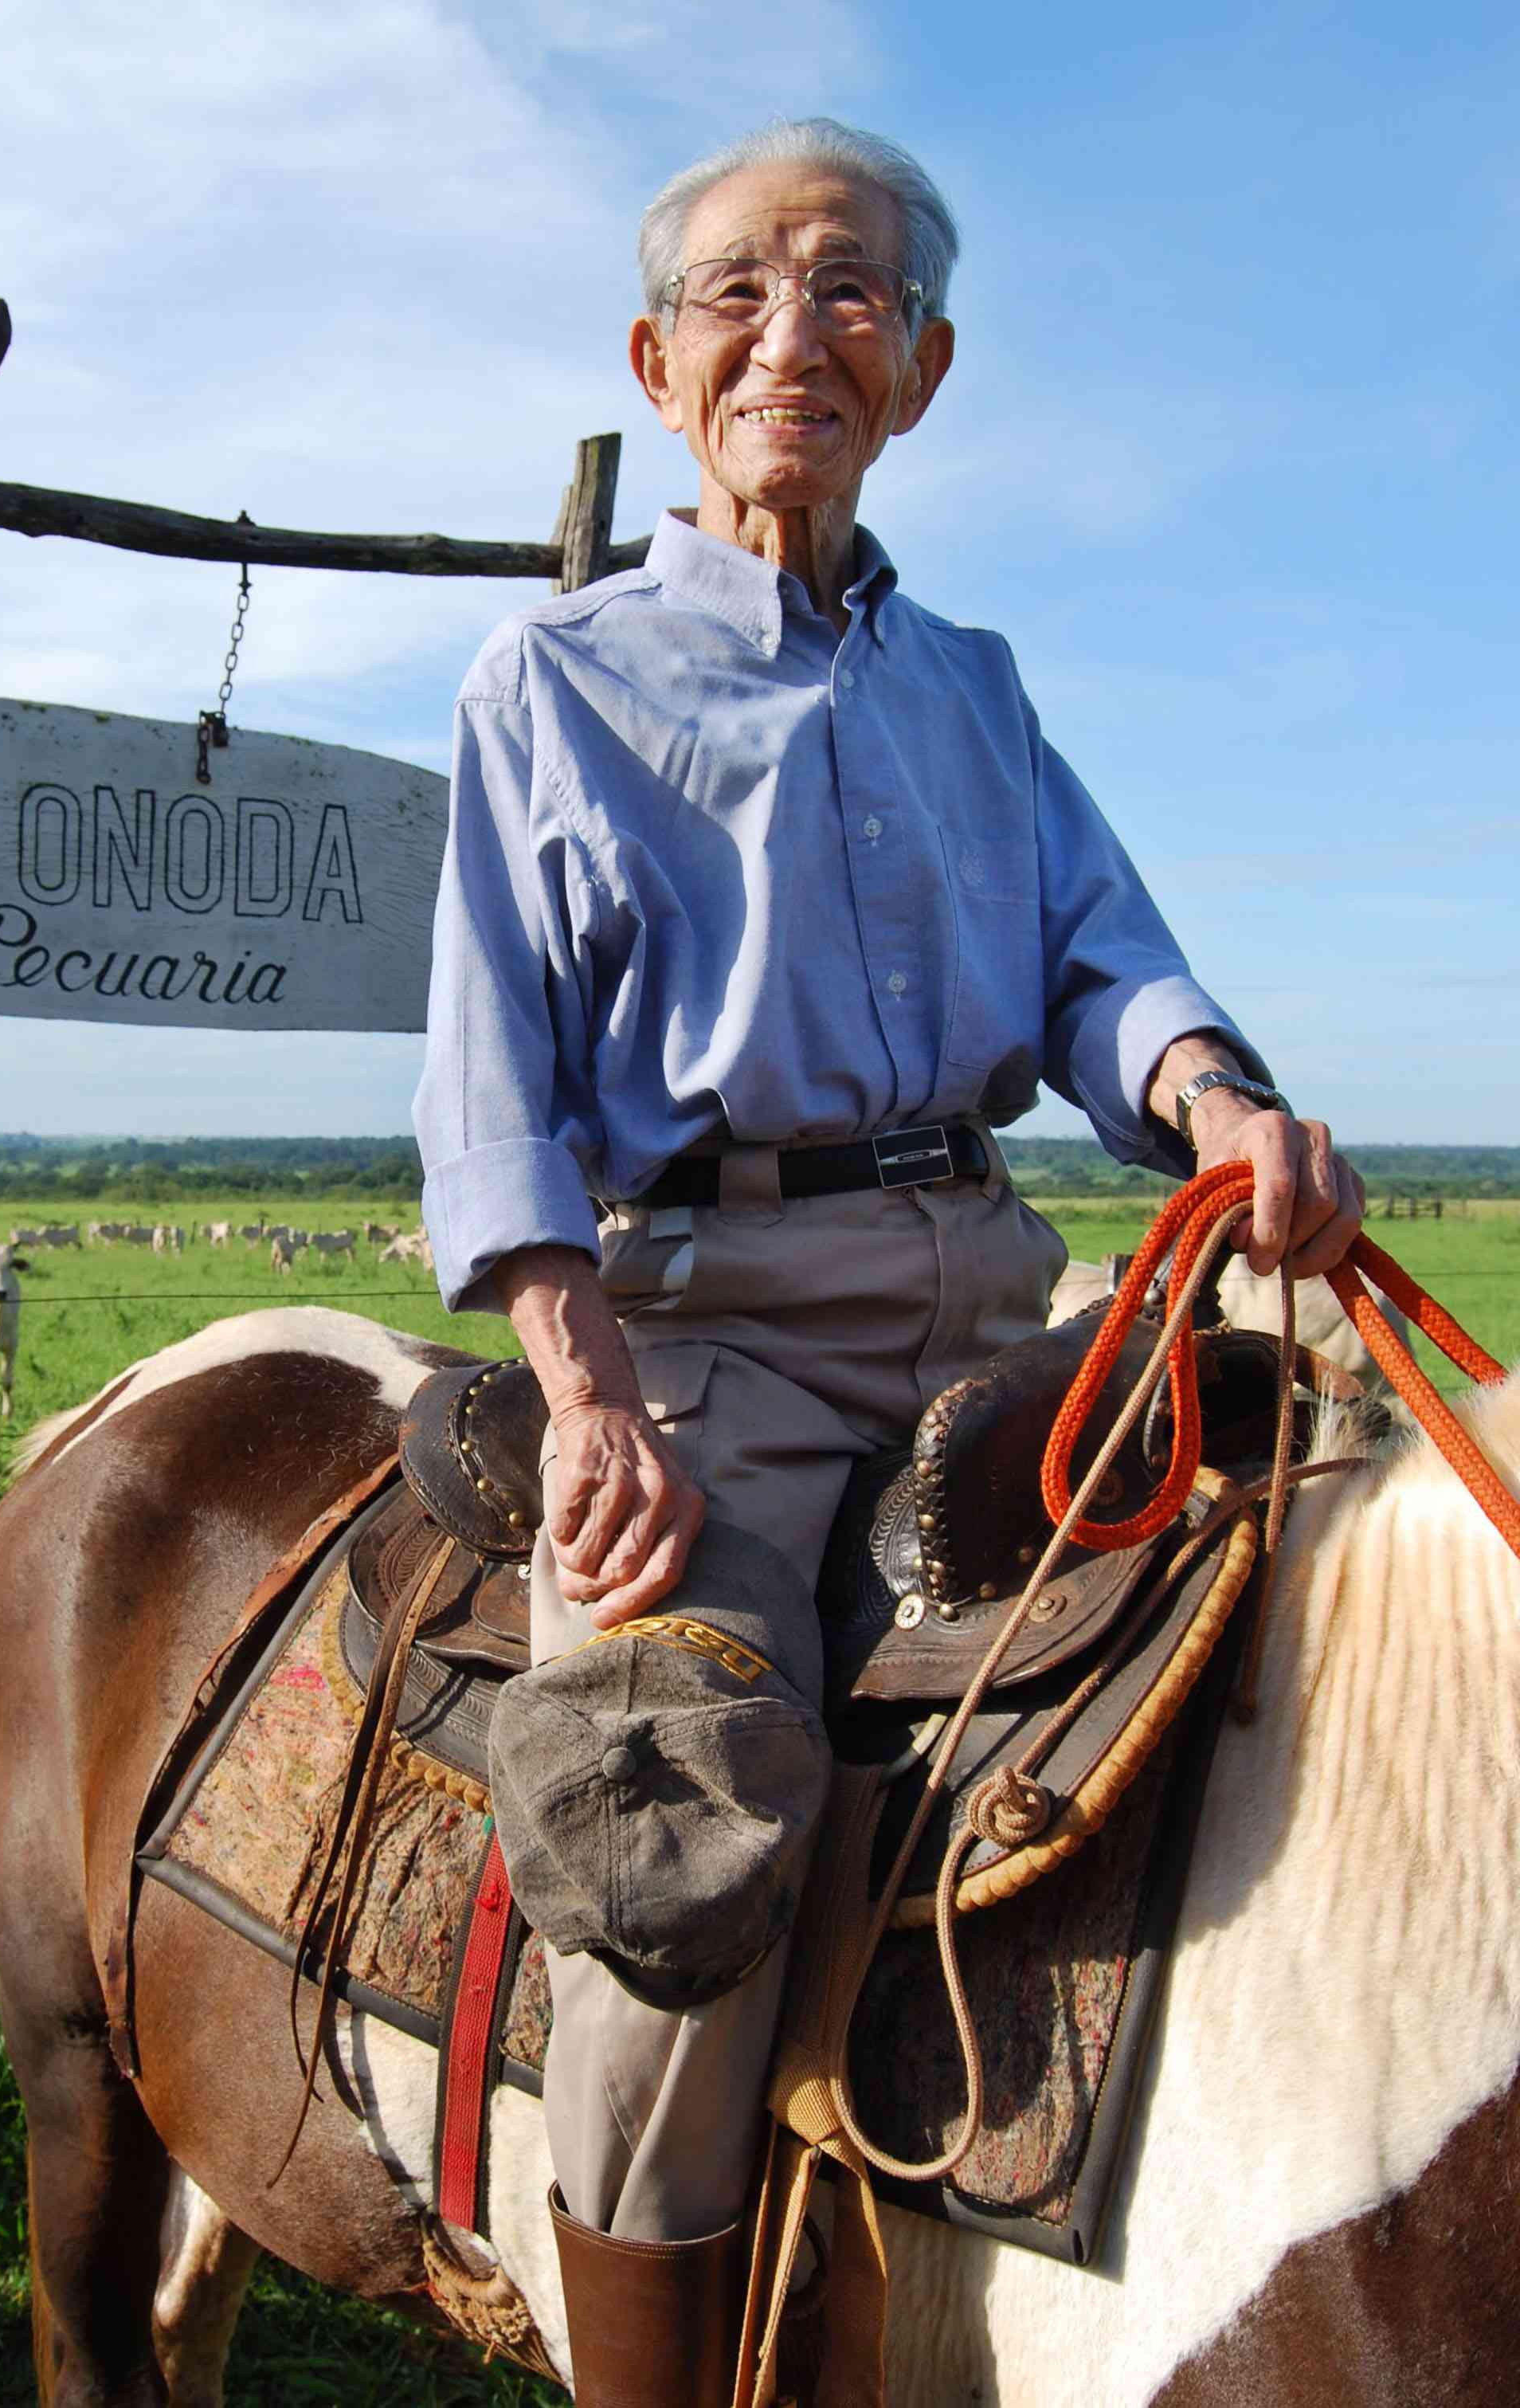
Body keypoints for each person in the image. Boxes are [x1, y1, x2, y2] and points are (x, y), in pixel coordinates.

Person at [414, 116, 1365, 2407]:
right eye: (742, 291)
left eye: (852, 294)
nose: (795, 336)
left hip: (997, 1301)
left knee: (1294, 1630)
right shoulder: (549, 683)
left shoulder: (981, 688)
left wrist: (1215, 1096)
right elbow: (495, 1076)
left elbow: (1101, 964)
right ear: (660, 362)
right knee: (678, 1851)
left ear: (921, 368)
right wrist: (586, 1381)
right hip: (702, 1344)